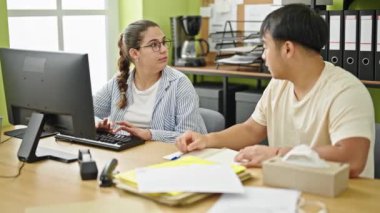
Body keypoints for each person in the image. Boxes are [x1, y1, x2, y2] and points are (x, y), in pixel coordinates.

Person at [176, 4, 375, 178]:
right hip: (290, 187)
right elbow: (251, 129)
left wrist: (276, 154)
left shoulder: (346, 91)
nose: (263, 56)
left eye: (265, 46)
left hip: (340, 196)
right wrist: (207, 140)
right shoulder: (280, 84)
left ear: (287, 49)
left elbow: (353, 159)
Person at [93, 20, 207, 142]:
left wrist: (149, 134)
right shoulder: (118, 82)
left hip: (168, 156)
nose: (163, 49)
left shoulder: (180, 84)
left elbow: (189, 137)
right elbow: (85, 112)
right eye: (154, 45)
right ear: (135, 53)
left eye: (163, 42)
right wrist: (98, 124)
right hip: (127, 155)